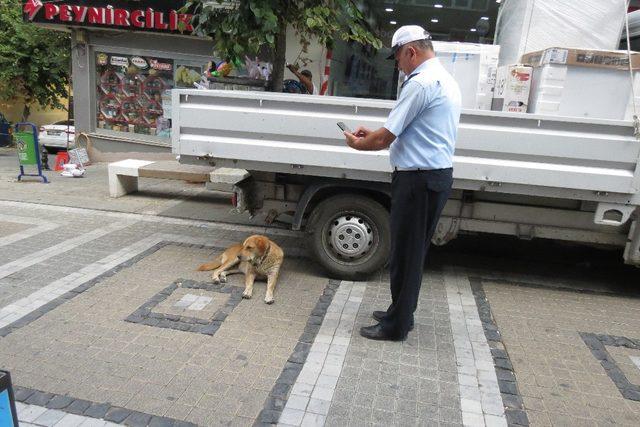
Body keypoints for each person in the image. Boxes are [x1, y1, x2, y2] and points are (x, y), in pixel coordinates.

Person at [343, 25, 461, 341]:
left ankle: (396, 326)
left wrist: (359, 143)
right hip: (431, 177)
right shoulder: (443, 78)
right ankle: (402, 312)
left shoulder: (420, 83)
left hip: (418, 180)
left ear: (410, 51)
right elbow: (408, 129)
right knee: (412, 253)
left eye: (397, 57)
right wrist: (377, 134)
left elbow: (386, 137)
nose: (397, 64)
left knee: (406, 256)